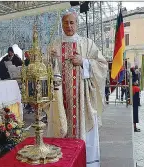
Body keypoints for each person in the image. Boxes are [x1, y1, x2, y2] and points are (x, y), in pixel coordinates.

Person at [48, 11, 108, 167]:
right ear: (62, 24)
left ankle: (84, 162)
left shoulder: (87, 43)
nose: (69, 26)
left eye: (72, 22)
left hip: (82, 99)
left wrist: (84, 62)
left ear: (77, 24)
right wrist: (50, 59)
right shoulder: (54, 45)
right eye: (65, 22)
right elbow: (46, 70)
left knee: (82, 132)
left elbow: (102, 65)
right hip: (61, 99)